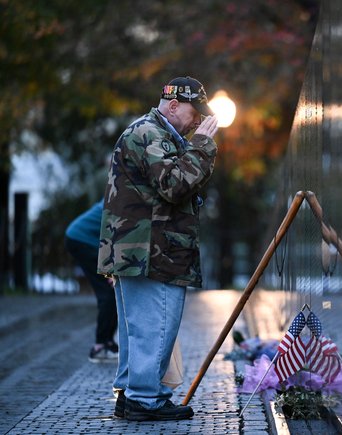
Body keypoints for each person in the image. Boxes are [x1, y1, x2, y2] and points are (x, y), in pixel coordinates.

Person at [98, 76, 219, 421]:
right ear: (174, 104)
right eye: (196, 112)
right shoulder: (151, 133)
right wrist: (203, 146)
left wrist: (195, 146)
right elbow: (174, 185)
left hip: (143, 250)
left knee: (138, 328)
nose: (199, 121)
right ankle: (144, 398)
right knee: (156, 324)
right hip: (151, 252)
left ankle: (132, 393)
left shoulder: (153, 132)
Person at [65, 200, 118, 363]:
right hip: (83, 240)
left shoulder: (123, 190)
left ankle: (107, 342)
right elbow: (117, 236)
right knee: (108, 291)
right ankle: (100, 346)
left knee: (113, 289)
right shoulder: (124, 198)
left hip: (82, 238)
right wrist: (111, 269)